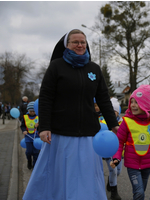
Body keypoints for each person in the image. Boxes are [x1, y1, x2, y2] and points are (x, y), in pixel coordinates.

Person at [23, 29, 119, 200]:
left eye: (83, 42)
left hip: (88, 135)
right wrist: (44, 127)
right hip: (61, 134)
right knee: (61, 175)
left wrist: (114, 124)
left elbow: (104, 99)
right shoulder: (56, 66)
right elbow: (46, 98)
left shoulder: (94, 69)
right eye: (75, 42)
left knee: (87, 176)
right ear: (67, 45)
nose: (80, 45)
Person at [110, 85, 150, 200]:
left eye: (137, 102)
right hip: (132, 164)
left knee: (141, 191)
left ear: (146, 104)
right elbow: (119, 142)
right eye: (132, 101)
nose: (133, 105)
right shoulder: (127, 121)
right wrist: (116, 158)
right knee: (139, 193)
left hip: (147, 164)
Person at [103, 97, 123, 200]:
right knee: (113, 171)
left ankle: (110, 182)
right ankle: (114, 193)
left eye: (114, 111)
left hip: (119, 151)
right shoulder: (103, 122)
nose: (113, 113)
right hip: (108, 150)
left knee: (118, 171)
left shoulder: (123, 122)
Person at [20, 101, 40, 170]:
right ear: (28, 110)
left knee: (36, 152)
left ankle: (35, 164)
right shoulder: (25, 117)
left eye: (33, 111)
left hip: (36, 137)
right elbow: (22, 126)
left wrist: (38, 126)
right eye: (31, 111)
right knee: (29, 151)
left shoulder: (38, 117)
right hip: (28, 136)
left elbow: (42, 127)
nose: (32, 112)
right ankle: (29, 161)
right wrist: (24, 130)